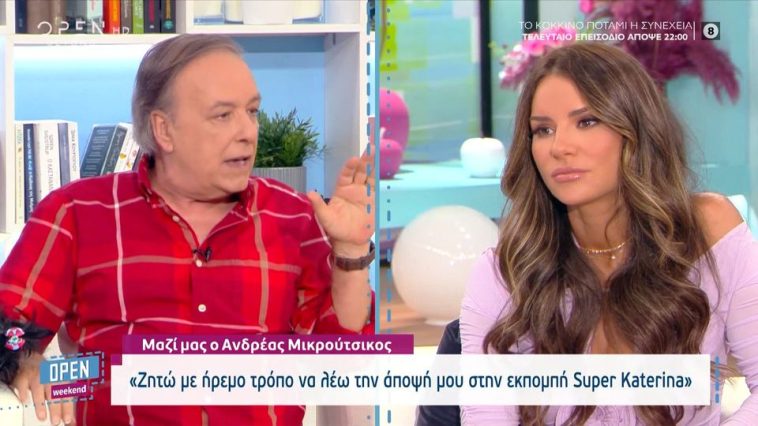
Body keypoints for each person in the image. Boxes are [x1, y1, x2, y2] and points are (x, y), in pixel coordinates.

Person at [0, 34, 375, 425]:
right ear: (164, 130)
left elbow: (341, 362)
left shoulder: (293, 217)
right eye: (223, 115)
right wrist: (29, 362)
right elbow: (8, 329)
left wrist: (351, 250)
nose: (248, 131)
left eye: (252, 111)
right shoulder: (77, 213)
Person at [460, 42, 758, 425]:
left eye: (586, 122)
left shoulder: (708, 231)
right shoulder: (508, 269)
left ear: (635, 130)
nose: (559, 147)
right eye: (543, 130)